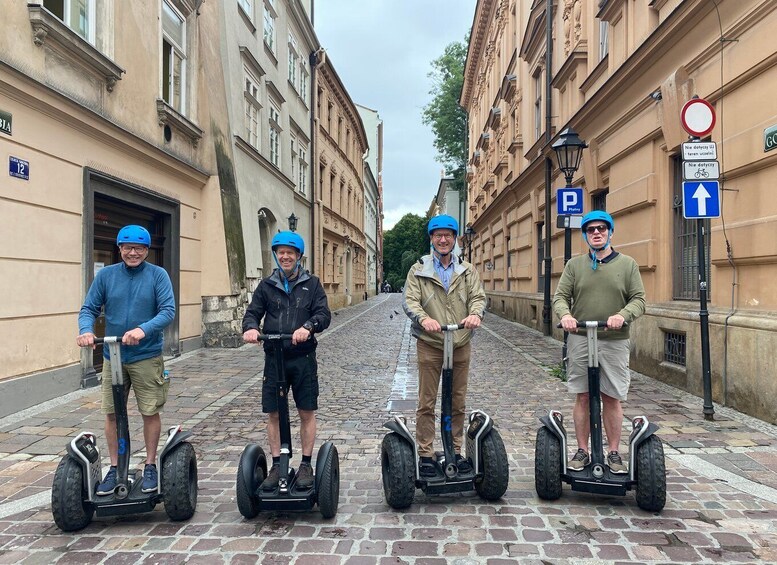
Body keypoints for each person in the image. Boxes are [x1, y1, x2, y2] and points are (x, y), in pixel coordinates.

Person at [77, 225, 175, 495]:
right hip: (113, 356)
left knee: (149, 410)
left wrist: (143, 329)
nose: (133, 252)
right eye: (128, 247)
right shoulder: (107, 276)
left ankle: (151, 464)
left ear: (146, 250)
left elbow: (168, 311)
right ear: (119, 248)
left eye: (139, 248)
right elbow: (89, 308)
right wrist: (86, 330)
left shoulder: (158, 275)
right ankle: (115, 467)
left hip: (146, 355)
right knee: (112, 413)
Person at [552, 210, 646, 474]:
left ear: (610, 233)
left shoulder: (627, 264)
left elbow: (639, 300)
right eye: (591, 230)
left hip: (613, 339)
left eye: (601, 229)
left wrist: (622, 315)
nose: (596, 233)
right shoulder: (574, 266)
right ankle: (582, 450)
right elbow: (560, 297)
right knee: (582, 395)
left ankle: (614, 453)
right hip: (581, 338)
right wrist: (566, 315)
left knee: (612, 397)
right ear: (585, 235)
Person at [242, 231, 331, 489]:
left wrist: (308, 326)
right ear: (276, 255)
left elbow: (323, 314)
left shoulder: (312, 284)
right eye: (281, 252)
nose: (285, 256)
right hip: (274, 357)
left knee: (306, 411)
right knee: (273, 413)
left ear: (299, 256)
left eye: (290, 253)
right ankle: (278, 464)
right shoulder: (267, 285)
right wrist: (250, 328)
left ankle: (305, 464)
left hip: (302, 357)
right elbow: (252, 314)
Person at [402, 215, 486, 477]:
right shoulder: (418, 269)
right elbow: (410, 301)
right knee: (426, 401)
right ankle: (426, 454)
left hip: (460, 342)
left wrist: (475, 315)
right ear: (431, 239)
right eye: (437, 235)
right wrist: (423, 318)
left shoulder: (467, 270)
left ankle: (456, 450)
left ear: (455, 239)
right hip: (431, 343)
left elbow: (478, 297)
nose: (443, 239)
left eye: (448, 235)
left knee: (457, 401)